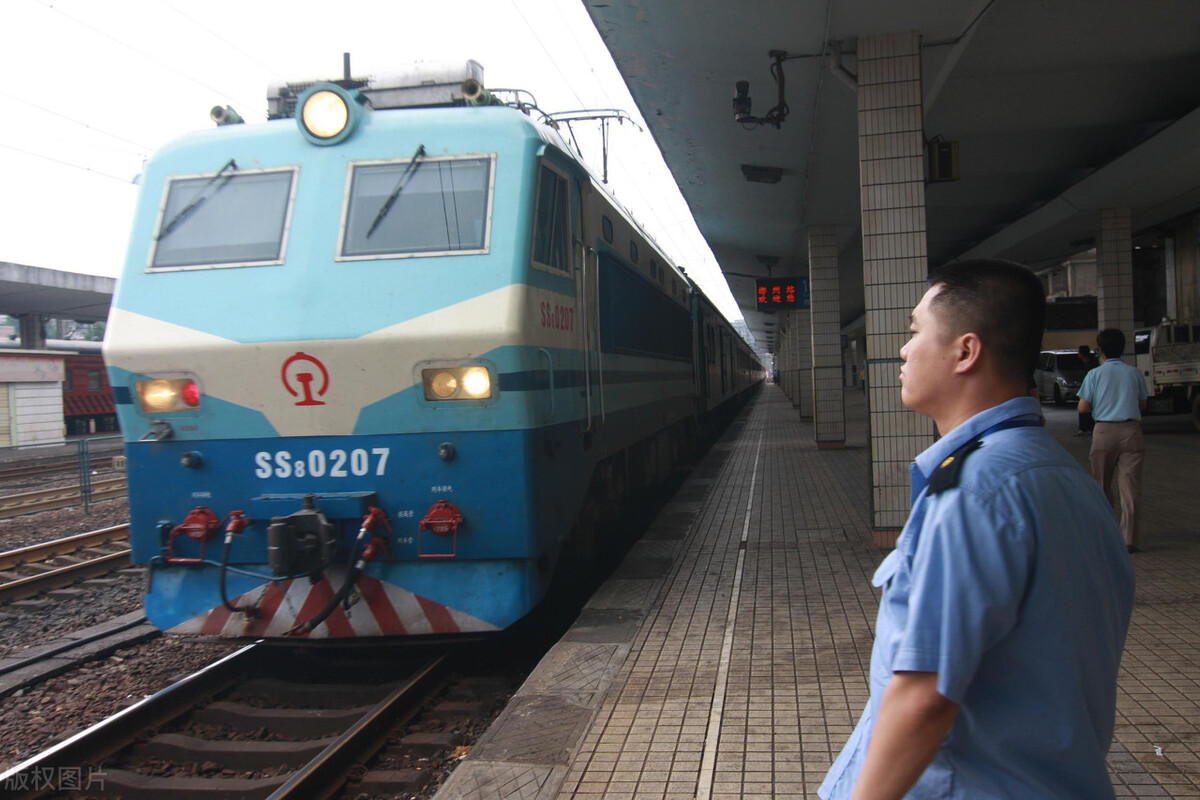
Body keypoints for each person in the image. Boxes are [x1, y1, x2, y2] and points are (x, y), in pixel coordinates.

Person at [819, 259, 1134, 800]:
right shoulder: (1070, 482)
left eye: (915, 332)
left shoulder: (974, 491)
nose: (903, 350)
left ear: (966, 351)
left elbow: (925, 698)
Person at [1077, 328, 1148, 552]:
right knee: (1130, 488)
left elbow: (1083, 407)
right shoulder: (1134, 373)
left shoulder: (1094, 375)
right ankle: (1130, 539)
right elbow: (1143, 404)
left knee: (1101, 485)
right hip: (1131, 432)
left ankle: (1106, 536)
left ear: (1101, 351)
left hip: (1104, 432)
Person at [1076, 344, 1100, 434]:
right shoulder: (1085, 362)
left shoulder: (1091, 364)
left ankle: (1086, 428)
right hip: (1087, 388)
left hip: (1090, 389)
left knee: (1084, 408)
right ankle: (1086, 427)